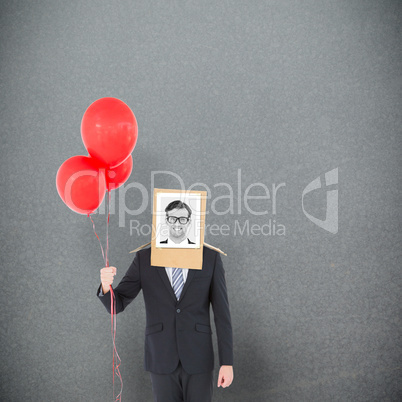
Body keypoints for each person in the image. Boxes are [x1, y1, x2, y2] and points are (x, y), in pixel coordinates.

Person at [98, 245, 233, 401]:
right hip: (161, 356)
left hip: (199, 356)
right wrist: (105, 286)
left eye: (183, 219)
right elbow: (116, 305)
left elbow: (222, 315)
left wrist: (227, 362)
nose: (176, 224)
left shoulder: (210, 257)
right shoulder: (144, 258)